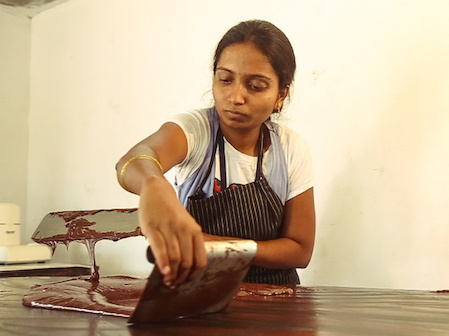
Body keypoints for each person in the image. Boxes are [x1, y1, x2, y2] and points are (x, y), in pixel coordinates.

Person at [116, 20, 315, 288]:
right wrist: (153, 186)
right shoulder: (196, 130)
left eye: (255, 86)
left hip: (276, 296)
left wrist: (209, 244)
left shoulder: (290, 148)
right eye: (225, 79)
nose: (236, 96)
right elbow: (134, 159)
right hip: (199, 293)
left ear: (281, 95)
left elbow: (300, 250)